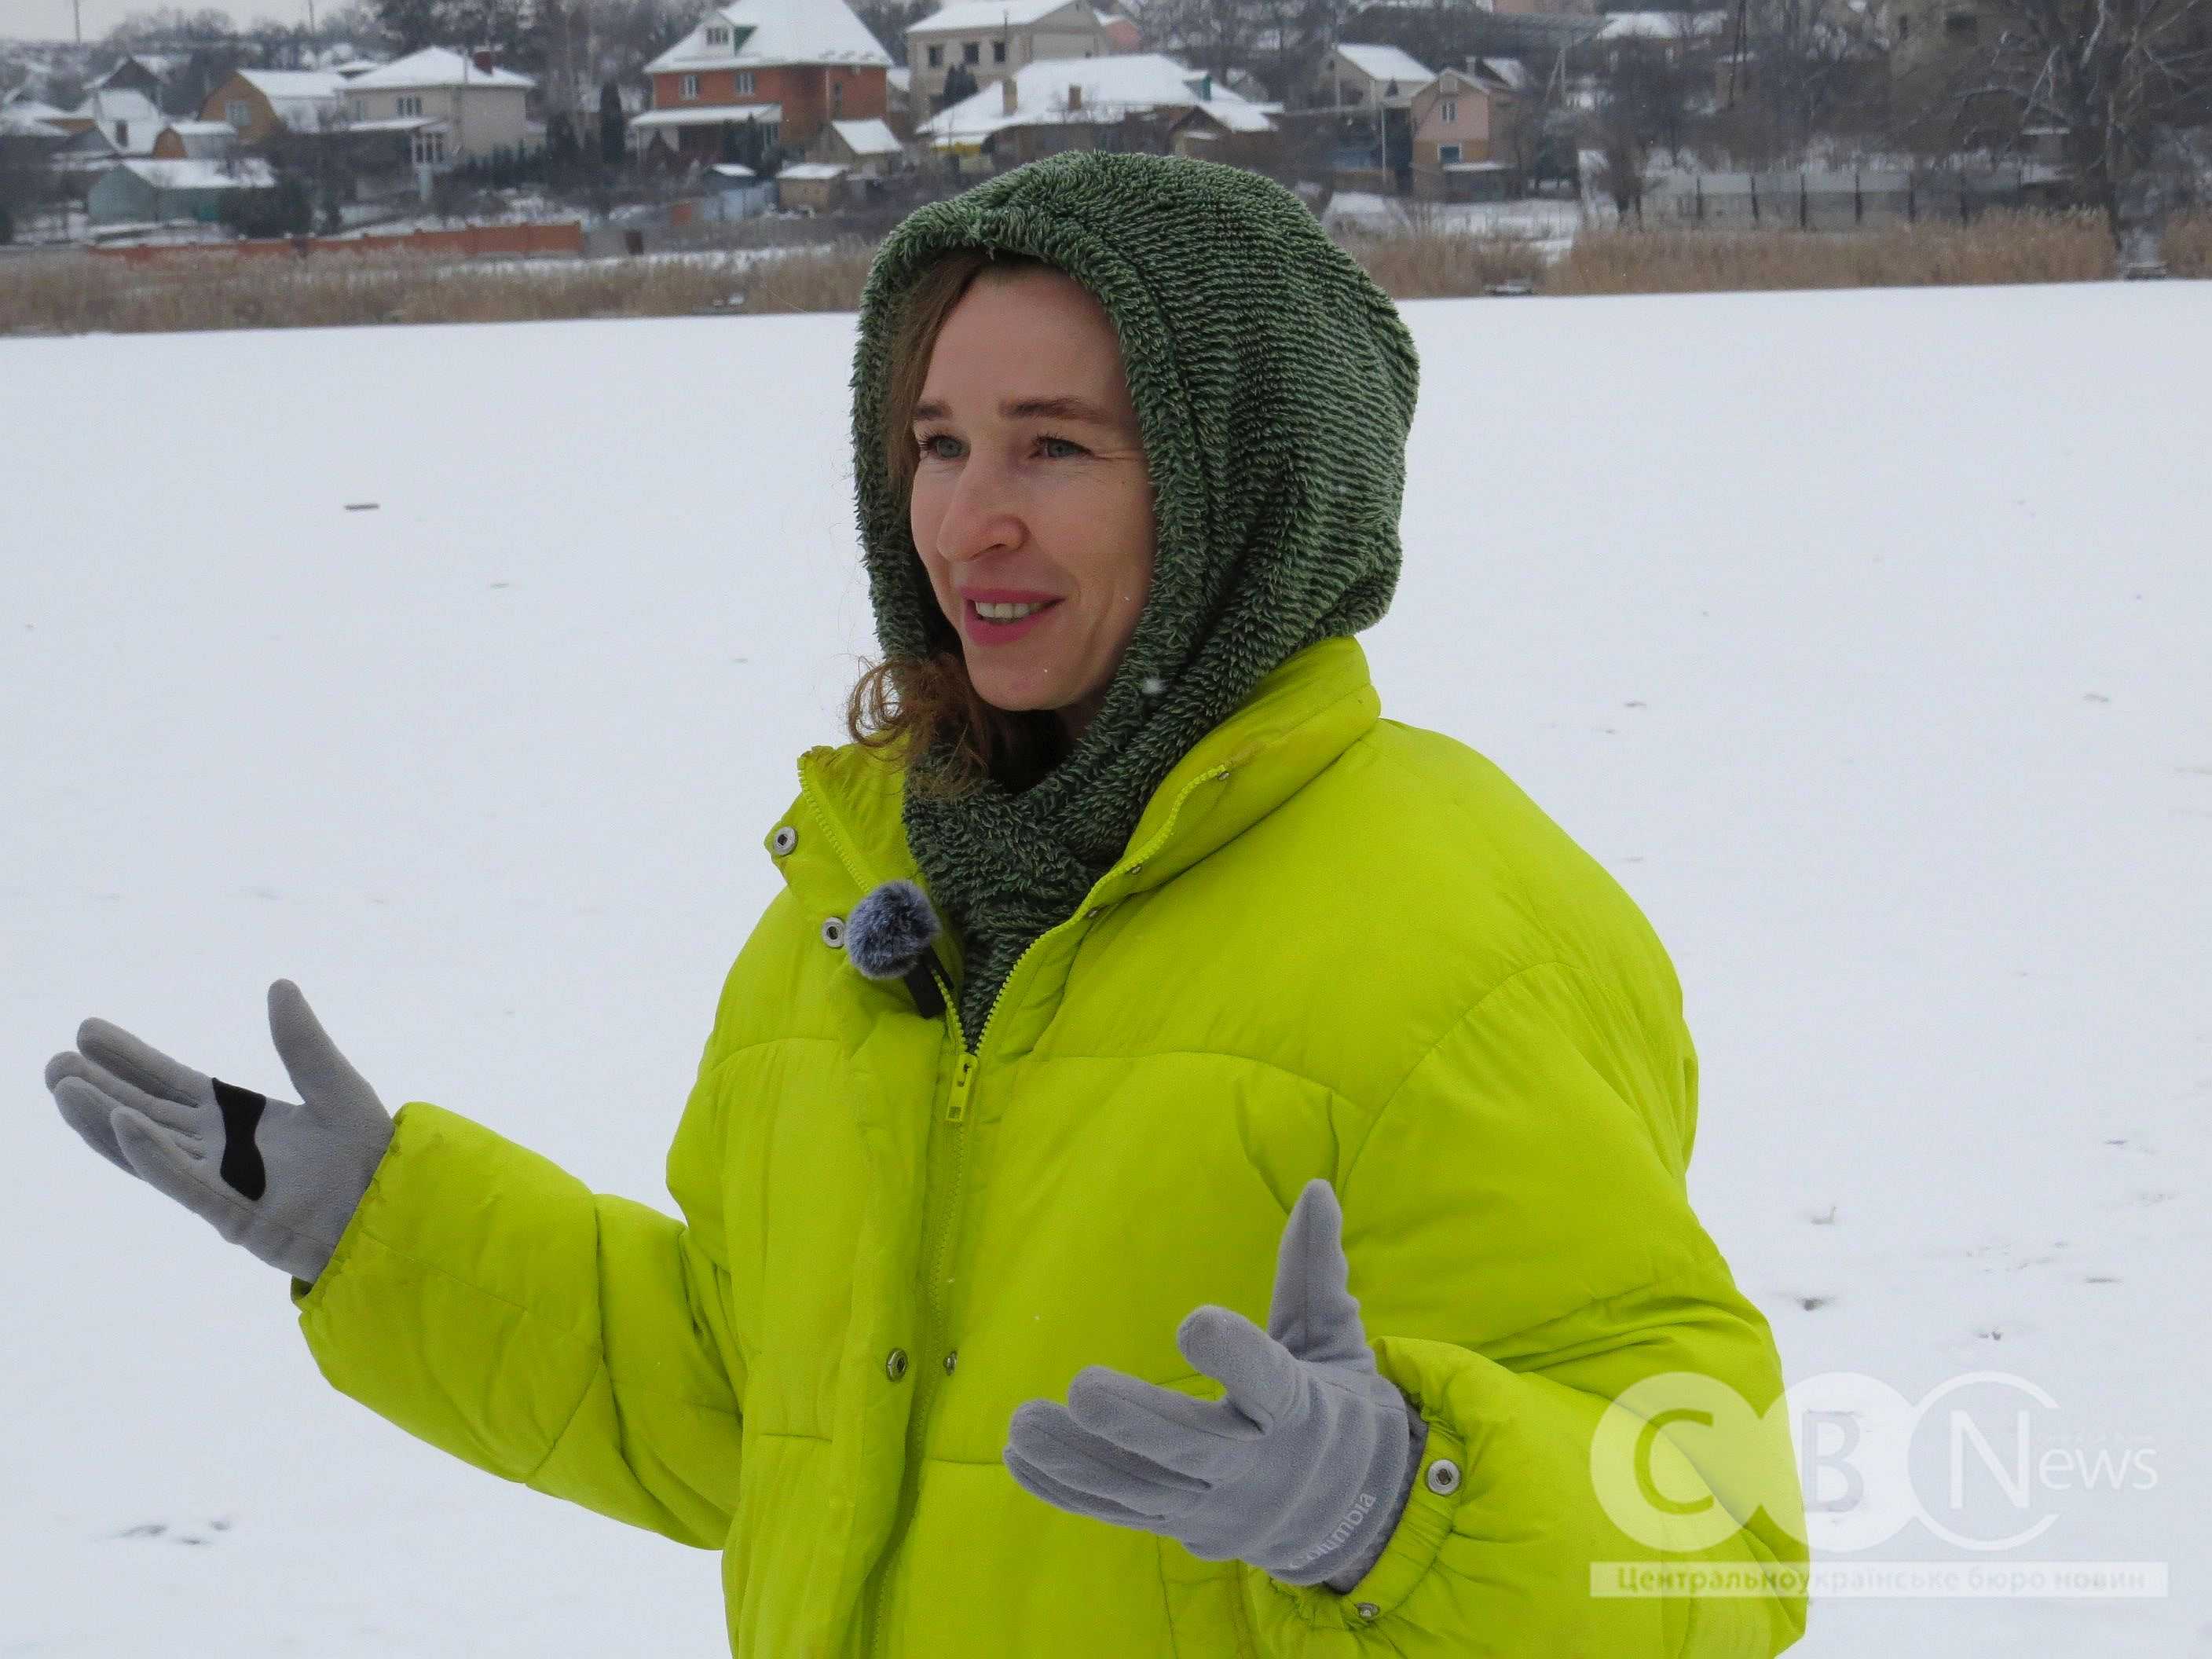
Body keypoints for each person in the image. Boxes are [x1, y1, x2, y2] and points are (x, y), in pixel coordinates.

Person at [46, 152, 1809, 1655]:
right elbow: (762, 1414)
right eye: (937, 442)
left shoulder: (1457, 939)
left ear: (1243, 489)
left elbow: (1716, 1540)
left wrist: (1398, 1500)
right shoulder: (878, 887)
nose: (967, 521)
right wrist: (384, 1236)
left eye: (1054, 448)